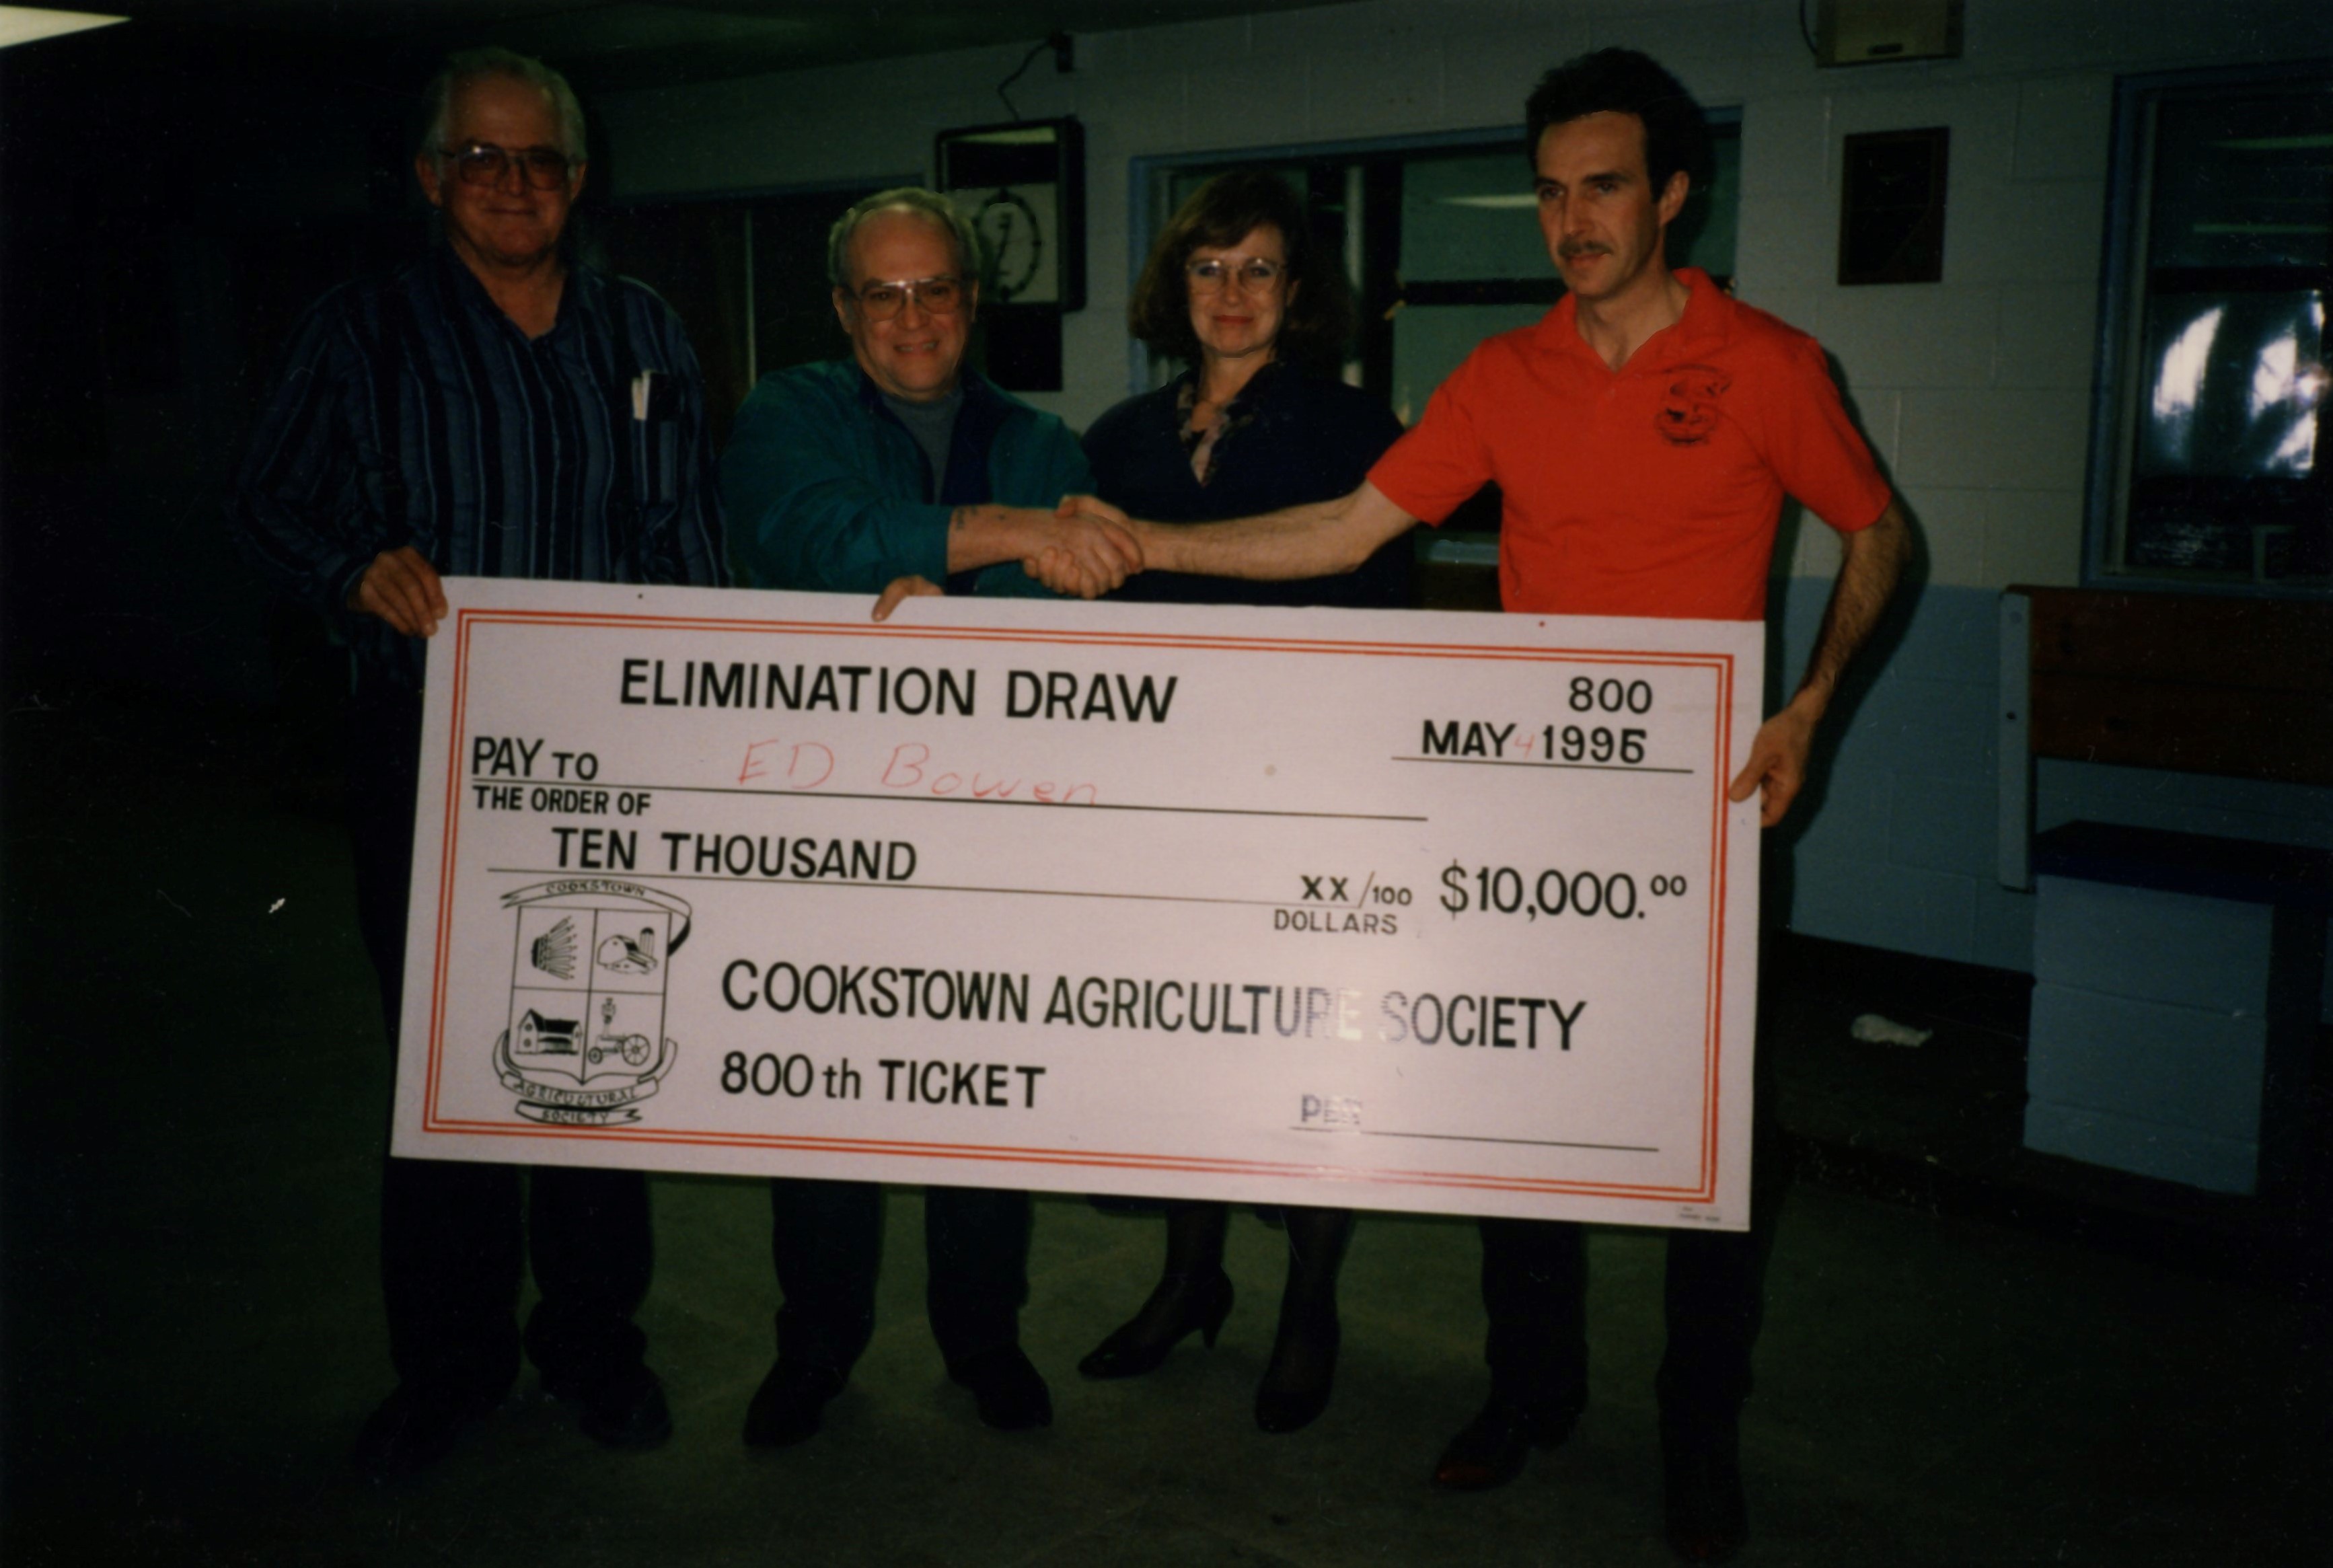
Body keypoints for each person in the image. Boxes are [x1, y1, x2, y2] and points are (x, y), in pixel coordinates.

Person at [1047, 49, 1911, 1565]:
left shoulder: (1769, 363)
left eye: (1605, 187)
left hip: (1701, 810)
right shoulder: (1504, 378)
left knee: (1711, 1146)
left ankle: (1697, 1432)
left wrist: (1810, 710)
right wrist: (1150, 546)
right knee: (1524, 1115)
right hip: (1529, 809)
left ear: (1673, 196)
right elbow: (1343, 529)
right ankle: (1530, 1392)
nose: (1574, 220)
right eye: (1553, 191)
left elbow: (1879, 530)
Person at [227, 48, 722, 1476]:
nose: (514, 183)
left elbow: (686, 537)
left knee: (594, 1053)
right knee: (449, 1071)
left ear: (580, 175)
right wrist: (349, 567)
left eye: (540, 158)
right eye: (483, 158)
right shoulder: (361, 329)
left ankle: (594, 1348)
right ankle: (448, 1367)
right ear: (432, 176)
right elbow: (262, 499)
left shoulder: (643, 330)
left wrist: (703, 730)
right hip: (434, 754)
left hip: (614, 757)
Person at [720, 188, 1135, 1447]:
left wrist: (948, 599)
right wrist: (996, 544)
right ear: (845, 308)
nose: (913, 317)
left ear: (972, 299)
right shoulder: (784, 412)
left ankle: (984, 1337)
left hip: (990, 827)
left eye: (936, 288)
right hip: (826, 818)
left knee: (980, 1086)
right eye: (884, 293)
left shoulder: (1044, 444)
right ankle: (816, 1347)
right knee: (824, 1089)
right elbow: (811, 535)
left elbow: (1075, 619)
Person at [1070, 170, 1409, 1434]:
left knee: (1308, 1051)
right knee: (1188, 1045)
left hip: (1310, 796)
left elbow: (1382, 618)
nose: (1231, 293)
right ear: (1176, 285)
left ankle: (1310, 1302)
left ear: (1297, 289)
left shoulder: (1356, 429)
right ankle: (1190, 1277)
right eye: (1208, 268)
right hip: (1166, 802)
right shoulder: (1119, 437)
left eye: (1259, 268)